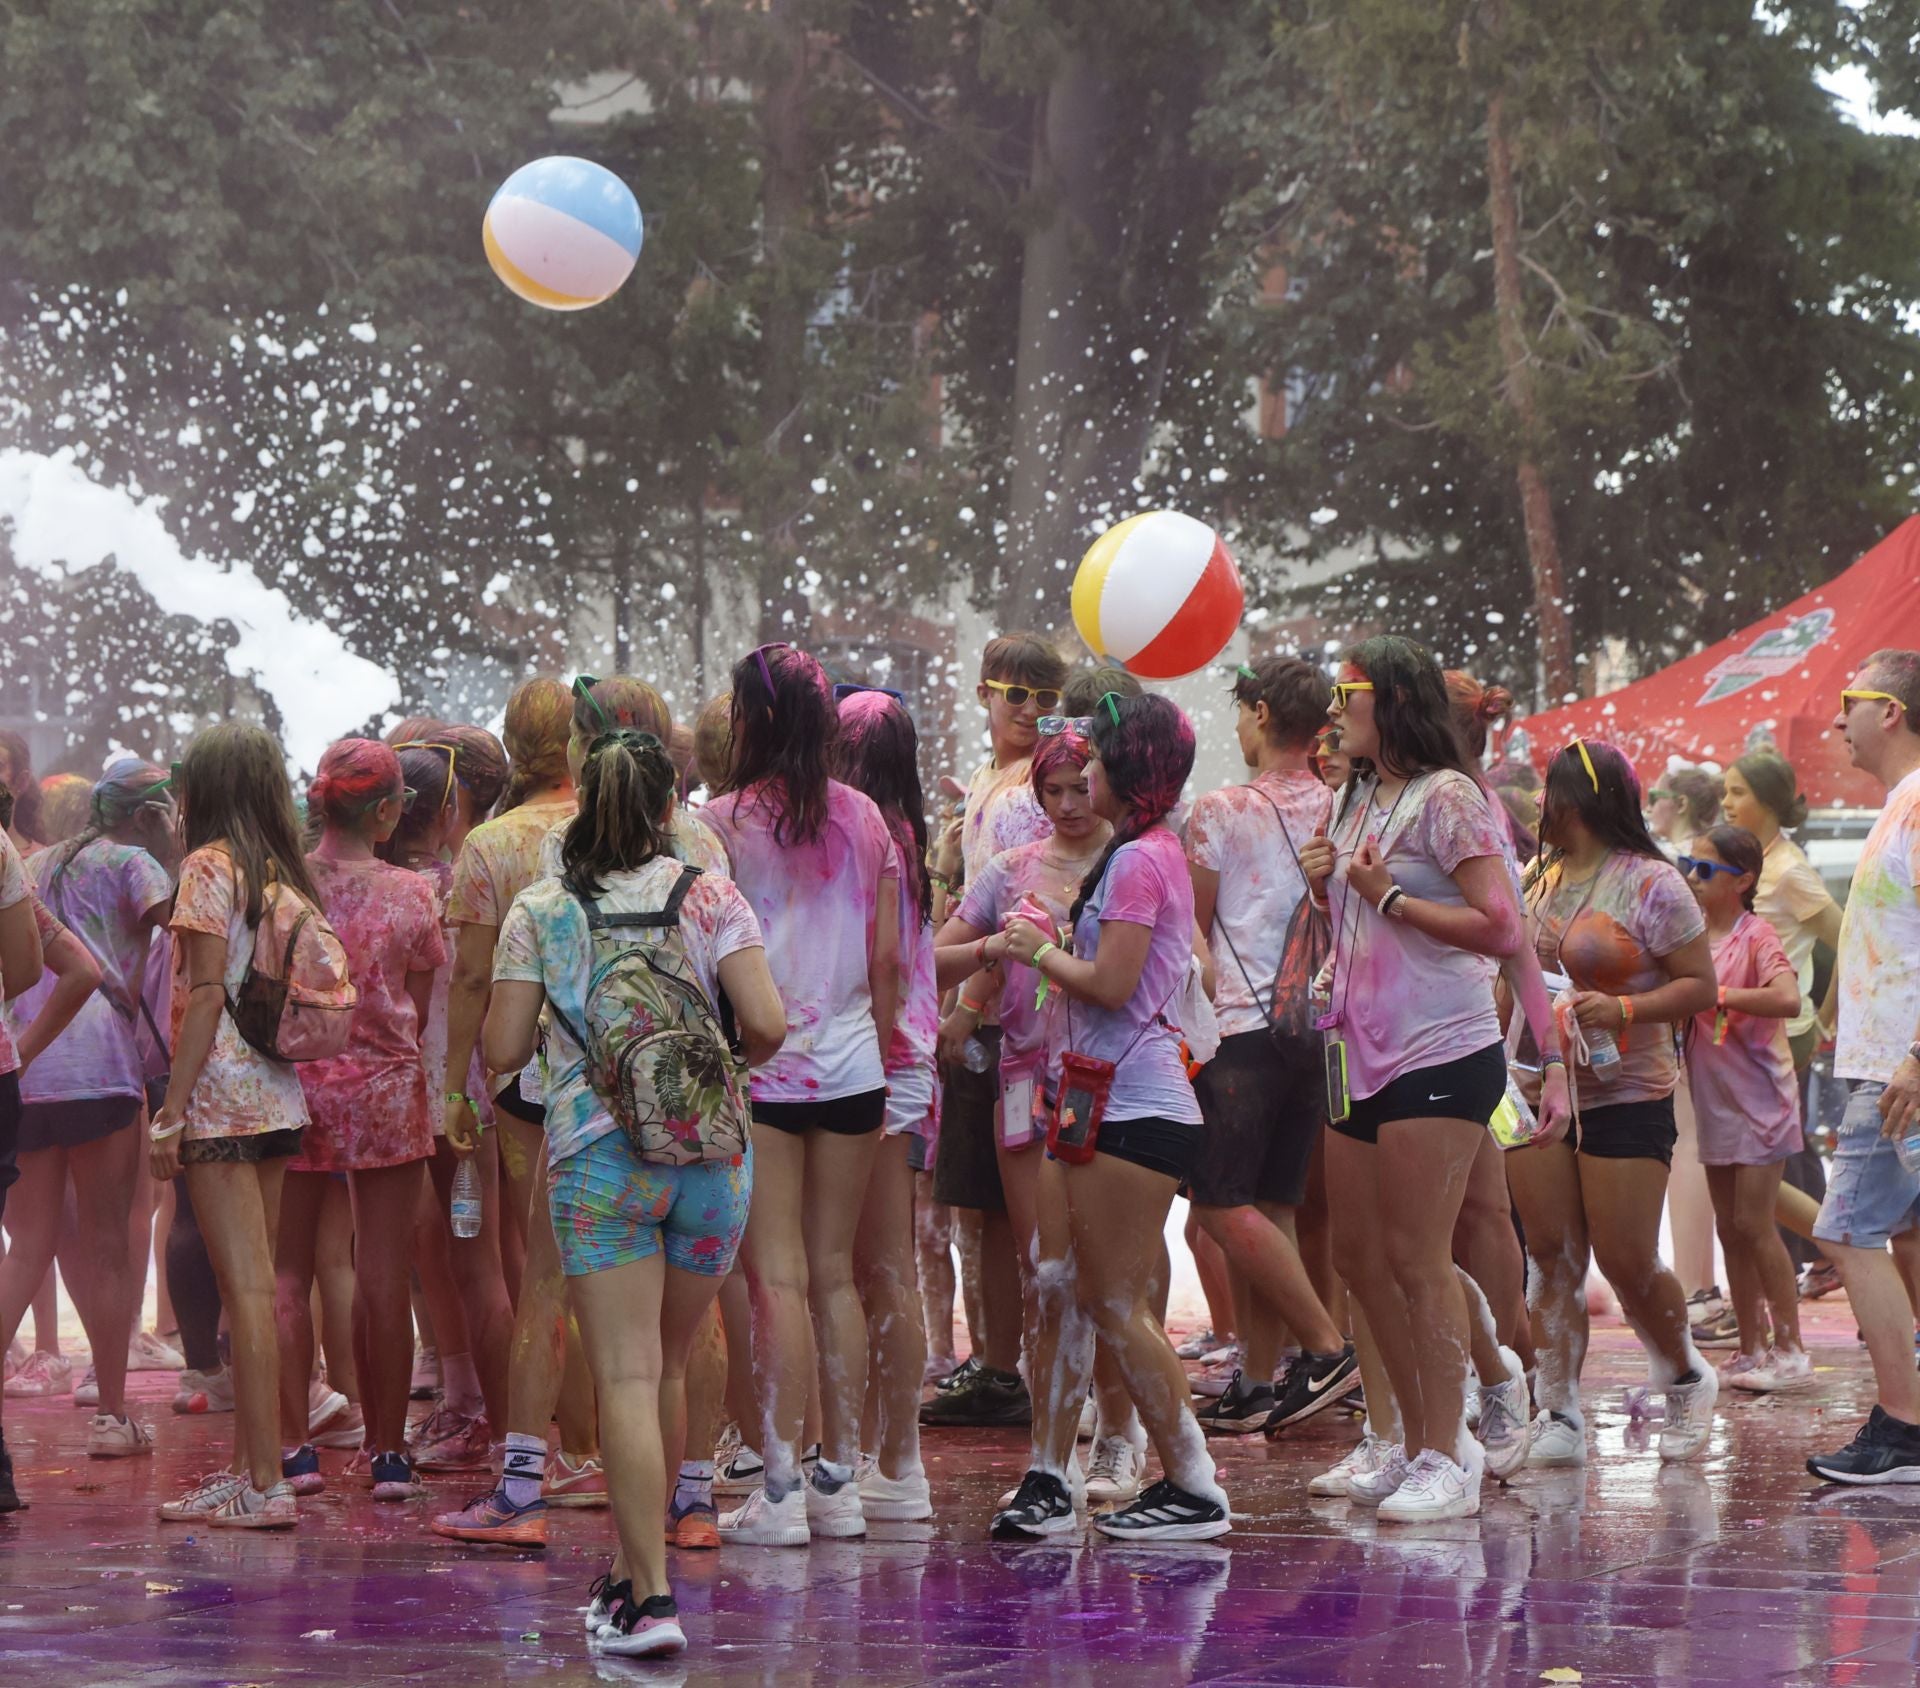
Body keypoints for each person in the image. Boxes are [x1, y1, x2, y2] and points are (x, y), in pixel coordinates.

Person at [486, 724, 784, 1657]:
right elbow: (769, 1023)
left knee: (620, 1371)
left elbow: (499, 1051)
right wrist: (719, 1058)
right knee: (664, 1360)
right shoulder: (713, 897)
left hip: (596, 1163)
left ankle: (648, 1601)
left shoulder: (539, 908)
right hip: (711, 1164)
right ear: (668, 807)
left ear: (580, 799)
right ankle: (628, 1573)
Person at [1300, 637, 1569, 1523]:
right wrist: (1322, 891)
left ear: (1396, 701)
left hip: (1439, 1047)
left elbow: (1502, 928)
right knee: (1357, 1257)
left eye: (1349, 694)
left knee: (1420, 1256)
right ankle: (1405, 1439)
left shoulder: (1450, 798)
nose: (1335, 712)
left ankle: (1445, 1448)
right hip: (1354, 1047)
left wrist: (1388, 899)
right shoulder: (1355, 794)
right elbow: (1356, 921)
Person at [996, 693, 1229, 1541]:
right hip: (1089, 1096)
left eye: (1094, 758)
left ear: (1128, 768)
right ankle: (1048, 1476)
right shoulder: (1141, 852)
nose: (1079, 772)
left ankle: (1193, 1483)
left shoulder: (1141, 860)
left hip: (1135, 1102)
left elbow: (1116, 986)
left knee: (1113, 1301)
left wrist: (1040, 951)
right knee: (1057, 1285)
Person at [703, 644, 901, 1545]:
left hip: (763, 1071)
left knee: (773, 1275)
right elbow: (889, 960)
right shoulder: (867, 821)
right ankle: (840, 1483)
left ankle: (779, 1490)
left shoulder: (720, 825)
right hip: (854, 1071)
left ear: (752, 718)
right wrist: (881, 1050)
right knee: (835, 1278)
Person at [935, 717, 1142, 1509]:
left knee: (1113, 1271)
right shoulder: (1012, 869)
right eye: (1052, 790)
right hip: (1025, 1079)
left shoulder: (1137, 863)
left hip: (1116, 1081)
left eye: (1079, 786)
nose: (1067, 804)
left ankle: (1121, 1434)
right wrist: (985, 960)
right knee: (1045, 1269)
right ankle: (1053, 1450)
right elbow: (938, 952)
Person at [1509, 737, 1719, 1470]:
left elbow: (1702, 986)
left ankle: (1686, 1376)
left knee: (1626, 1258)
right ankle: (1557, 1406)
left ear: (1580, 799)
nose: (1538, 804)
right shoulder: (1539, 876)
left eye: (1548, 790)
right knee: (1550, 1254)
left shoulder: (1652, 883)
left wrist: (1625, 1012)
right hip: (1534, 1087)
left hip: (1626, 1089)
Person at [432, 679, 605, 1548]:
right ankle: (600, 1443)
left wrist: (455, 1084)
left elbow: (470, 979)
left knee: (540, 1258)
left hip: (523, 1074)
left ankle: (560, 1451)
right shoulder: (620, 825)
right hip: (611, 1066)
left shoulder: (493, 844)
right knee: (603, 1258)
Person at [149, 724, 318, 1529]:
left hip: (219, 1099)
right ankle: (251, 1470)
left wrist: (171, 1112)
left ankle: (266, 1483)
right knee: (256, 1291)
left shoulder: (206, 868)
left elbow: (204, 994)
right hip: (279, 1097)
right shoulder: (282, 873)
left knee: (244, 1295)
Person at [1183, 657, 1355, 1433]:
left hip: (1239, 1032)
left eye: (1241, 711)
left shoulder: (1220, 810)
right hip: (1313, 1032)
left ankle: (1324, 1347)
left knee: (1222, 1208)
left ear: (1257, 713)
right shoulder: (1345, 806)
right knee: (1274, 1209)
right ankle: (1257, 1379)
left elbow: (1194, 932)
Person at [275, 740, 446, 1503]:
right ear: (384, 812)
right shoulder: (413, 894)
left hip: (298, 1091)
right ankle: (387, 1452)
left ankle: (292, 1451)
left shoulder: (286, 885)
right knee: (382, 1276)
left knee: (287, 1275)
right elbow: (419, 1008)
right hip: (386, 1093)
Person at [0, 761, 174, 1459]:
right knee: (107, 1245)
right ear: (148, 813)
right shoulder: (136, 863)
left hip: (29, 1068)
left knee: (28, 1246)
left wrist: (28, 1052)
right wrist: (174, 848)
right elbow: (191, 928)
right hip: (103, 1067)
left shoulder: (36, 864)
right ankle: (111, 1416)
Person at [929, 633, 1067, 1427]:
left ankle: (1037, 1372)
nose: (1029, 712)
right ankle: (1000, 1366)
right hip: (987, 1007)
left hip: (1016, 1017)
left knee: (1023, 1213)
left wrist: (968, 1004)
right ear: (984, 693)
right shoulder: (990, 782)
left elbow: (1020, 913)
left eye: (1045, 699)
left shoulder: (1031, 790)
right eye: (1016, 695)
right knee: (977, 1207)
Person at [381, 733, 512, 1472]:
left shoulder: (374, 887)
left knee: (406, 1261)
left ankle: (451, 1408)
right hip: (465, 1101)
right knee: (479, 1264)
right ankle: (503, 1434)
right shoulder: (463, 884)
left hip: (397, 1102)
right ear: (448, 811)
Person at [1806, 652, 1920, 1483]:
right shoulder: (1898, 807)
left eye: (1850, 703)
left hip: (1900, 1070)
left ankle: (1904, 1428)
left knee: (1844, 1231)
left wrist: (1913, 1056)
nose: (1835, 722)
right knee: (1898, 1230)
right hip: (1882, 1064)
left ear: (1892, 711)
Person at [832, 687, 936, 1523]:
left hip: (880, 1059)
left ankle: (895, 1460)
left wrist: (865, 1046)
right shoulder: (904, 831)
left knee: (874, 1267)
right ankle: (883, 1452)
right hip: (897, 1057)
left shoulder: (872, 837)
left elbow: (889, 969)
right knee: (876, 1268)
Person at [1679, 826, 1809, 1390]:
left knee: (1754, 1224)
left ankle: (1792, 1347)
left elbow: (1787, 998)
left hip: (1762, 1102)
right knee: (1731, 1229)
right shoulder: (1689, 940)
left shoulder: (1756, 936)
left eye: (1704, 870)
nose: (1691, 878)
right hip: (1717, 1103)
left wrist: (1720, 995)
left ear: (1744, 881)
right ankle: (1753, 1346)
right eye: (1689, 865)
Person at [1721, 747, 1843, 1285]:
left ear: (1768, 802)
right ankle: (1820, 1255)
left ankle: (1817, 1253)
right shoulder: (1756, 861)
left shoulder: (1791, 872)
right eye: (1725, 791)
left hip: (1782, 1029)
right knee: (1784, 1143)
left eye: (1737, 792)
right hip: (1748, 1028)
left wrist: (1827, 1014)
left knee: (1773, 1149)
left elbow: (1847, 938)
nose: (1725, 803)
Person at [1647, 767, 1723, 857]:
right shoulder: (1711, 855)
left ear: (1681, 804)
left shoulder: (1668, 859)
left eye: (1654, 798)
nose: (1648, 808)